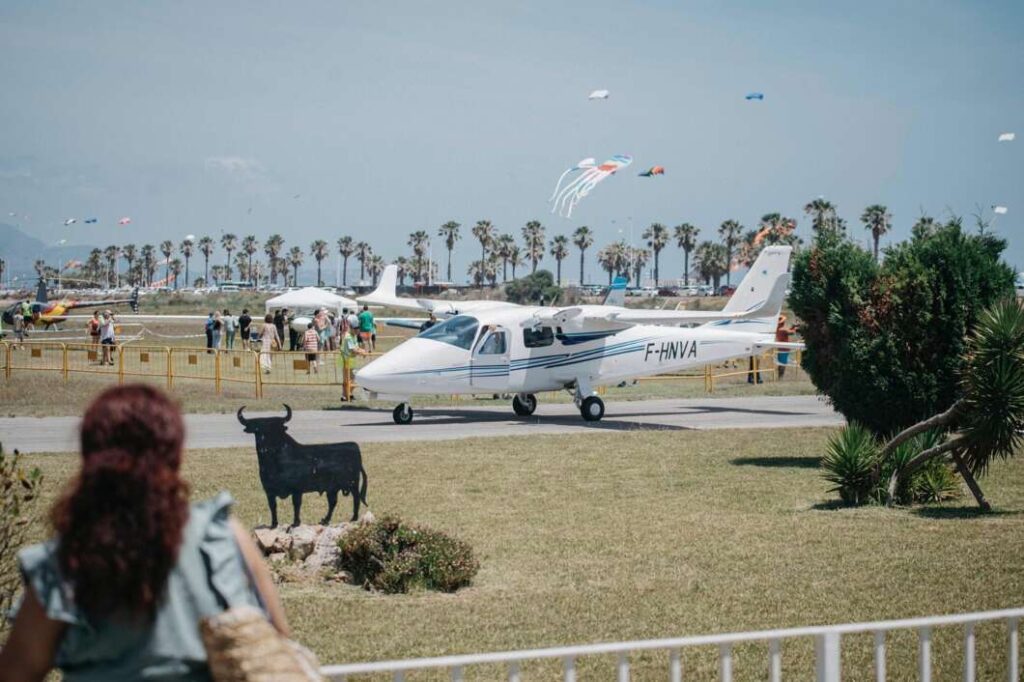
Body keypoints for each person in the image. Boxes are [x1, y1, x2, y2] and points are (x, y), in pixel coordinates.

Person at [0, 384, 289, 680]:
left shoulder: (65, 561)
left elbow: (15, 673)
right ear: (175, 455)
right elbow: (280, 650)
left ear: (90, 458)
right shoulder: (223, 537)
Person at [339, 324, 368, 401]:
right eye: (355, 329)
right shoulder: (348, 337)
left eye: (358, 330)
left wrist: (362, 350)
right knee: (351, 379)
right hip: (346, 359)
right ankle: (347, 395)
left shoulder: (354, 336)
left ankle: (346, 395)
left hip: (350, 360)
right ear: (351, 329)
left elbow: (356, 347)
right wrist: (362, 352)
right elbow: (353, 349)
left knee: (351, 379)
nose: (357, 331)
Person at [775, 315, 798, 379]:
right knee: (783, 364)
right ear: (783, 322)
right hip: (784, 348)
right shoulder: (783, 329)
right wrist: (795, 328)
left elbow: (788, 331)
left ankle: (780, 377)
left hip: (780, 348)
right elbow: (792, 333)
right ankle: (780, 377)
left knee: (780, 363)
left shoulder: (778, 329)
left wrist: (793, 327)